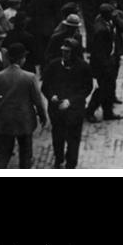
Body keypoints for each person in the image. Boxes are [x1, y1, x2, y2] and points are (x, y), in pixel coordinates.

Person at [0, 43, 47, 169]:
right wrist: (43, 116)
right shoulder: (29, 77)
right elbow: (38, 101)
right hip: (24, 121)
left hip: (5, 121)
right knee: (25, 155)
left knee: (3, 154)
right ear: (21, 59)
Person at [41, 38, 93, 169]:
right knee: (57, 138)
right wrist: (51, 96)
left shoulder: (83, 67)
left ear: (74, 53)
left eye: (68, 52)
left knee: (73, 140)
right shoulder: (53, 66)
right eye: (63, 51)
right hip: (56, 110)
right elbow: (45, 85)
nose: (64, 54)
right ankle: (59, 159)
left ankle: (71, 164)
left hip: (74, 111)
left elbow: (87, 88)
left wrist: (70, 101)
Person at [85, 4, 123, 123]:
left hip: (109, 60)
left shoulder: (107, 22)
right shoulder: (101, 29)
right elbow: (99, 51)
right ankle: (90, 111)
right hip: (103, 65)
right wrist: (106, 66)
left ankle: (108, 112)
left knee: (109, 89)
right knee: (102, 90)